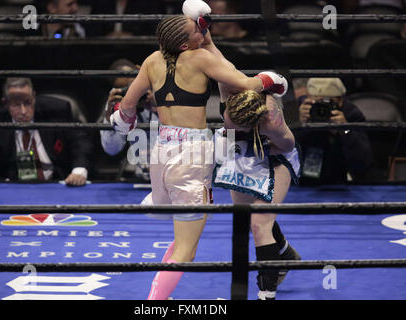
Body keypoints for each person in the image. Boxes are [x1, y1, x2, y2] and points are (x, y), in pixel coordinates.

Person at [109, 3, 288, 300]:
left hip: (161, 152)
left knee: (182, 237)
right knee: (186, 249)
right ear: (184, 43)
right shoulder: (200, 58)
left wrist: (123, 121)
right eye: (196, 29)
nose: (202, 30)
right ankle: (153, 304)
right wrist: (272, 79)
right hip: (190, 157)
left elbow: (125, 110)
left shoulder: (152, 60)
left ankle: (157, 295)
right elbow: (245, 84)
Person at [199, 26, 301, 300]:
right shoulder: (232, 86)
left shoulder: (271, 121)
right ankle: (286, 253)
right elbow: (217, 57)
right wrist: (205, 34)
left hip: (275, 155)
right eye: (225, 118)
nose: (225, 123)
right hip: (242, 150)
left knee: (260, 225)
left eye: (233, 124)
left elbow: (288, 145)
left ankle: (266, 293)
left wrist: (264, 147)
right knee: (247, 217)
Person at [0, 77, 92, 186]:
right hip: (16, 188)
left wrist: (78, 170)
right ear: (6, 103)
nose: (23, 111)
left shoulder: (56, 110)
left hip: (57, 183)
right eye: (16, 105)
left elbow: (79, 141)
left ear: (34, 97)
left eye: (28, 102)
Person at [297, 78, 373, 184]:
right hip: (302, 178)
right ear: (308, 97)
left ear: (340, 101)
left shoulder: (350, 113)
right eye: (317, 101)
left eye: (327, 101)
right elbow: (282, 155)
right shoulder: (298, 110)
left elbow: (364, 160)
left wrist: (345, 130)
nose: (322, 108)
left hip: (339, 178)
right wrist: (300, 125)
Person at [99, 58, 158, 181]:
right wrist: (110, 119)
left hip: (175, 172)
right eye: (126, 90)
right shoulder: (117, 99)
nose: (132, 92)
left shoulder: (163, 88)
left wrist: (159, 109)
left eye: (133, 84)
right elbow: (112, 150)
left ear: (139, 70)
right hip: (143, 176)